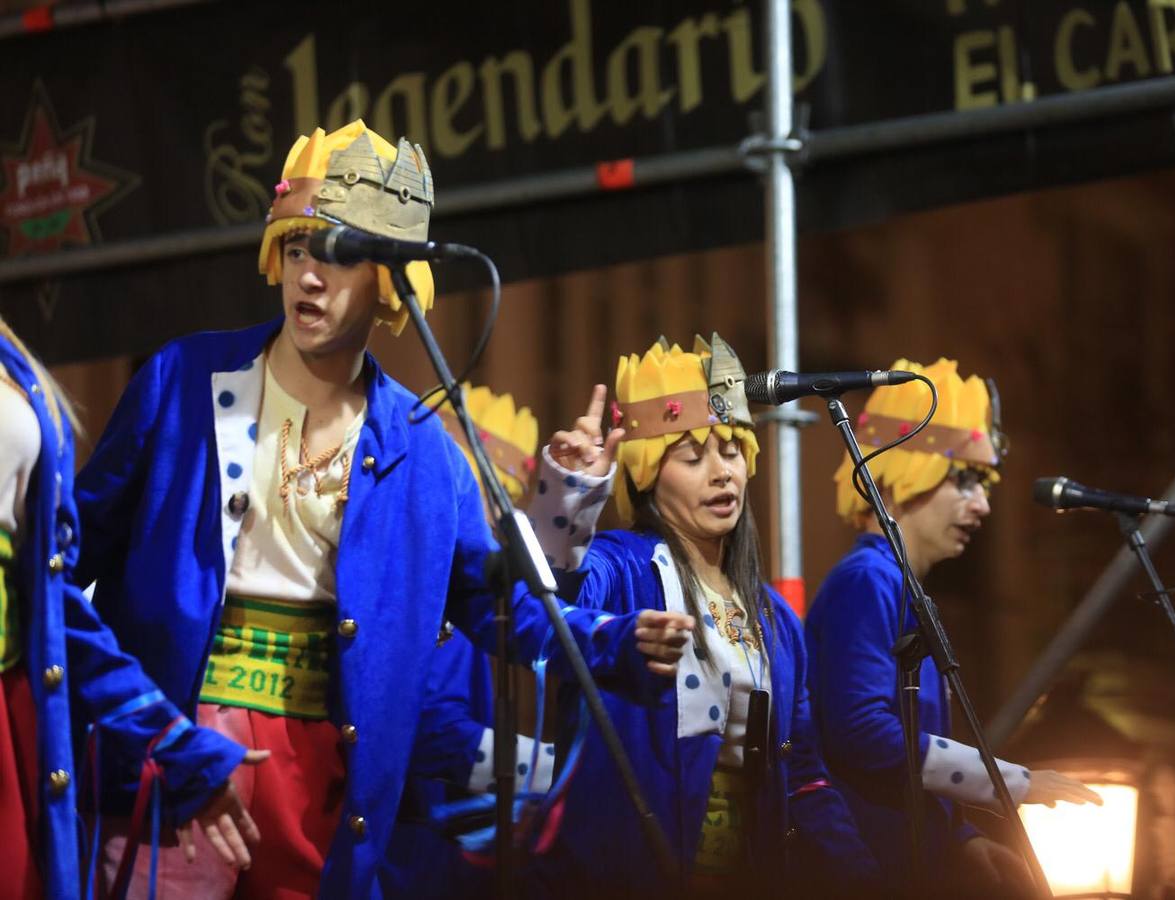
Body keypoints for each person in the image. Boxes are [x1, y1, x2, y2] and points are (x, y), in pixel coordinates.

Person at [73, 121, 691, 899]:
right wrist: (137, 726)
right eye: (297, 249)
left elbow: (495, 604)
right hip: (181, 751)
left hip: (325, 778)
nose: (309, 276)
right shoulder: (181, 381)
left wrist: (611, 636)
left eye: (338, 254)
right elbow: (65, 564)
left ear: (392, 281)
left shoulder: (425, 450)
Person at [532, 335, 878, 898]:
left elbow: (807, 777)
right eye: (693, 457)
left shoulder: (777, 621)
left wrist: (867, 879)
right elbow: (553, 590)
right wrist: (569, 495)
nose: (722, 473)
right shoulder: (621, 572)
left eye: (733, 451)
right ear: (645, 474)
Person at [805, 358, 1101, 897]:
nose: (983, 504)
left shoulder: (887, 581)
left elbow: (895, 764)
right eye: (964, 480)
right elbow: (861, 735)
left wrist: (958, 839)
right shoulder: (869, 579)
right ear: (900, 472)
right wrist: (1014, 783)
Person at [0, 317, 263, 899]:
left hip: (16, 710)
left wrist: (166, 734)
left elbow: (51, 597)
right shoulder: (176, 375)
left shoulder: (10, 360)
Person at [379, 382, 620, 898]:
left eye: (505, 500)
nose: (491, 516)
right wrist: (558, 772)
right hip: (404, 853)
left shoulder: (466, 579)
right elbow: (431, 732)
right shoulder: (421, 579)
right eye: (485, 495)